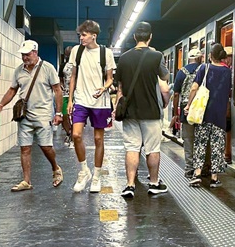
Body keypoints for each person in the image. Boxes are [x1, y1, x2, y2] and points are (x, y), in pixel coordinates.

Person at [0, 39, 64, 191]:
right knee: (25, 148)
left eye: (27, 54)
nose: (25, 58)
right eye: (23, 55)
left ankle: (56, 168)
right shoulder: (19, 70)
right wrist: (1, 105)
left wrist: (58, 113)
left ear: (35, 52)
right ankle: (26, 181)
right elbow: (12, 90)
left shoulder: (47, 68)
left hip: (43, 114)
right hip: (24, 115)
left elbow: (57, 90)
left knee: (45, 147)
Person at [114, 22, 170, 198]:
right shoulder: (156, 56)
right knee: (152, 149)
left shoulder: (123, 58)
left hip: (130, 112)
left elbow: (120, 87)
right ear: (150, 37)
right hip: (151, 112)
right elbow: (165, 78)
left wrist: (116, 108)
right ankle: (153, 183)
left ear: (134, 37)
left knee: (131, 147)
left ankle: (130, 185)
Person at [67, 20, 116, 193]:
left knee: (98, 139)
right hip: (81, 99)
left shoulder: (106, 53)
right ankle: (84, 171)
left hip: (100, 102)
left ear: (94, 35)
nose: (81, 38)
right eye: (80, 35)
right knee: (76, 134)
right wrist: (71, 100)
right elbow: (73, 76)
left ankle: (96, 176)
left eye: (84, 35)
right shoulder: (76, 51)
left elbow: (110, 78)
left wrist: (104, 88)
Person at [186, 44, 232, 188]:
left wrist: (189, 105)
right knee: (217, 146)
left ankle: (197, 175)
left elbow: (194, 87)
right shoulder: (227, 71)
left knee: (200, 144)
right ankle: (214, 178)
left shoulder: (204, 68)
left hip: (204, 113)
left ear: (210, 55)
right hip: (219, 114)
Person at [171, 47, 203, 178]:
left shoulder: (181, 72)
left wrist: (175, 113)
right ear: (200, 58)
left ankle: (189, 168)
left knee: (188, 139)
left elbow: (176, 94)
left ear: (189, 58)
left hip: (186, 110)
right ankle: (200, 168)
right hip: (201, 108)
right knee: (200, 139)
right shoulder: (204, 70)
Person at [58, 45, 74, 147]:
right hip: (65, 93)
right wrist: (61, 86)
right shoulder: (63, 65)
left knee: (74, 116)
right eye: (68, 53)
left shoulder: (79, 65)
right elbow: (60, 79)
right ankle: (69, 132)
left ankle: (73, 135)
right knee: (64, 115)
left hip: (77, 94)